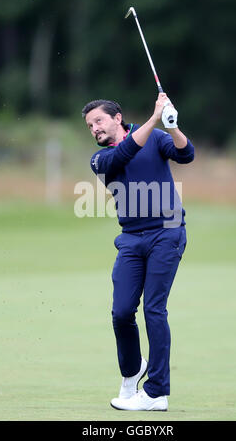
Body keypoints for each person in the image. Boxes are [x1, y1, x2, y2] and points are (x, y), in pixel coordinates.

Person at [82, 93, 194, 411]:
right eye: (90, 126)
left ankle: (157, 392)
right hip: (131, 238)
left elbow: (187, 155)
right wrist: (154, 117)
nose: (94, 129)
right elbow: (126, 153)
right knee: (121, 312)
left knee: (154, 310)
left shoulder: (156, 137)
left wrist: (171, 127)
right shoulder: (100, 159)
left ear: (118, 118)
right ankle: (133, 372)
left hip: (167, 233)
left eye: (99, 121)